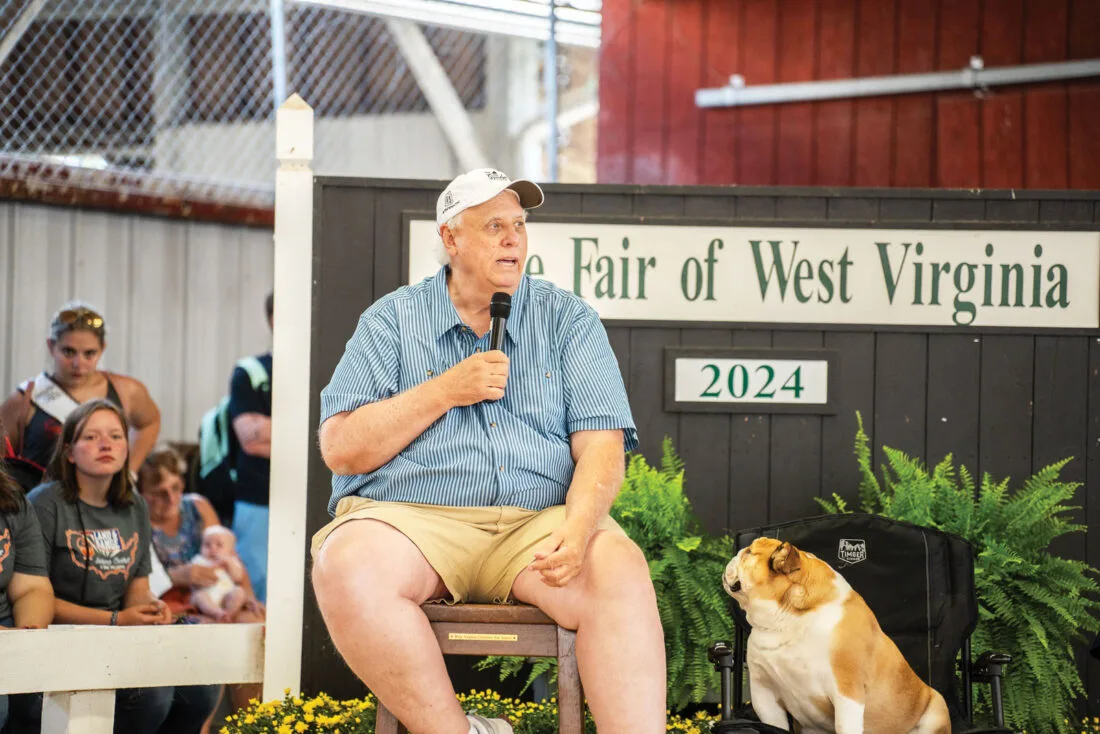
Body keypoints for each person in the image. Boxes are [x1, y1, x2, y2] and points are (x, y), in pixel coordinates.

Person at [310, 168, 667, 734]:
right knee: (345, 564)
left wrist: (579, 528)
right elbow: (341, 448)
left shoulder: (568, 319)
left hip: (535, 525)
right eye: (494, 226)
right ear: (451, 239)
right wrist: (446, 389)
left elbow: (602, 448)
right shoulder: (390, 322)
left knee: (617, 565)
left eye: (519, 226)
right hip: (413, 523)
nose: (512, 240)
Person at [23, 399, 218, 734]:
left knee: (201, 689)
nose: (105, 444)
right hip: (59, 639)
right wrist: (117, 620)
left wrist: (150, 610)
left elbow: (137, 588)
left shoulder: (134, 506)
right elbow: (32, 602)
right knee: (152, 697)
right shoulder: (44, 504)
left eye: (115, 436)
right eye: (91, 437)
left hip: (118, 637)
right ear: (69, 452)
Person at [0, 302, 161, 485]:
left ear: (102, 349)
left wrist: (130, 471)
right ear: (51, 346)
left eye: (89, 353)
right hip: (42, 508)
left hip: (105, 505)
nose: (78, 363)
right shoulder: (24, 401)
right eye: (68, 352)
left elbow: (150, 422)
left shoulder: (127, 391)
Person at [0, 419, 54, 732]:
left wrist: (27, 635)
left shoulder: (13, 501)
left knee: (44, 696)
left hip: (10, 635)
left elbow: (32, 587)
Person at [228, 292, 273, 603]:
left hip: (320, 498)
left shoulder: (337, 369)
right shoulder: (251, 372)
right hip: (258, 499)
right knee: (257, 594)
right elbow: (253, 440)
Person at [188, 525, 248, 623]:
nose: (213, 548)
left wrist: (228, 563)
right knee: (199, 595)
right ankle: (218, 613)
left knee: (239, 592)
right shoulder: (199, 560)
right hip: (206, 594)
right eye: (207, 544)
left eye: (219, 545)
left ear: (230, 551)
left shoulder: (231, 561)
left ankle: (229, 613)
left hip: (226, 596)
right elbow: (190, 577)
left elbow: (238, 577)